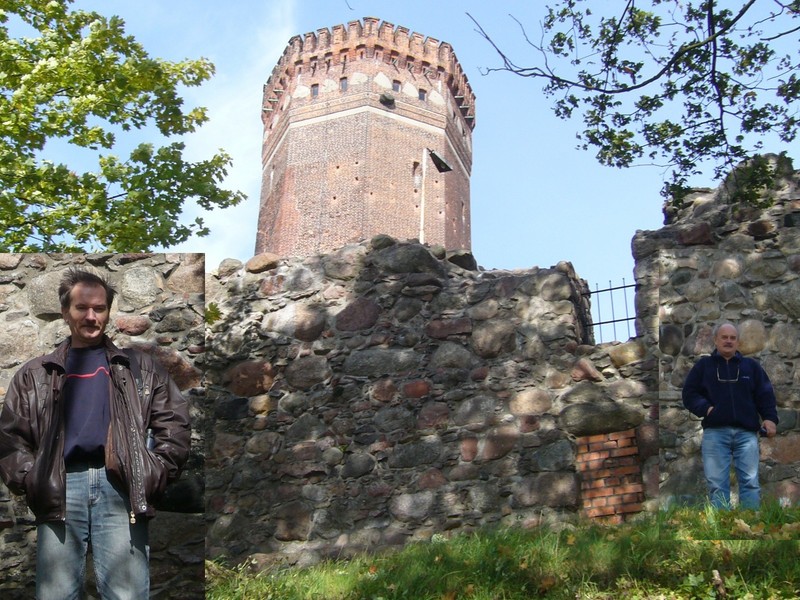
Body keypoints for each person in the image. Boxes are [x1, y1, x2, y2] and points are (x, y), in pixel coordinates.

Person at [0, 268, 191, 599]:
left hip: (119, 485)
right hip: (58, 484)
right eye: (81, 308)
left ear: (107, 311)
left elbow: (174, 423)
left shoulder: (140, 367)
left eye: (99, 309)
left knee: (126, 594)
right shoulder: (34, 374)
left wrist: (153, 470)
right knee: (55, 594)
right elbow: (10, 437)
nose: (91, 316)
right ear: (65, 312)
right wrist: (33, 479)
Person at [682, 322, 778, 509]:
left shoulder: (751, 367)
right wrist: (707, 409)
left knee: (750, 483)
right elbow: (689, 394)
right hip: (715, 434)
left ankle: (752, 526)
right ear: (716, 340)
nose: (728, 341)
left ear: (738, 342)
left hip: (746, 435)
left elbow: (765, 394)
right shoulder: (704, 366)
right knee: (717, 485)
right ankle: (723, 529)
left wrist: (770, 418)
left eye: (732, 338)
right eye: (724, 337)